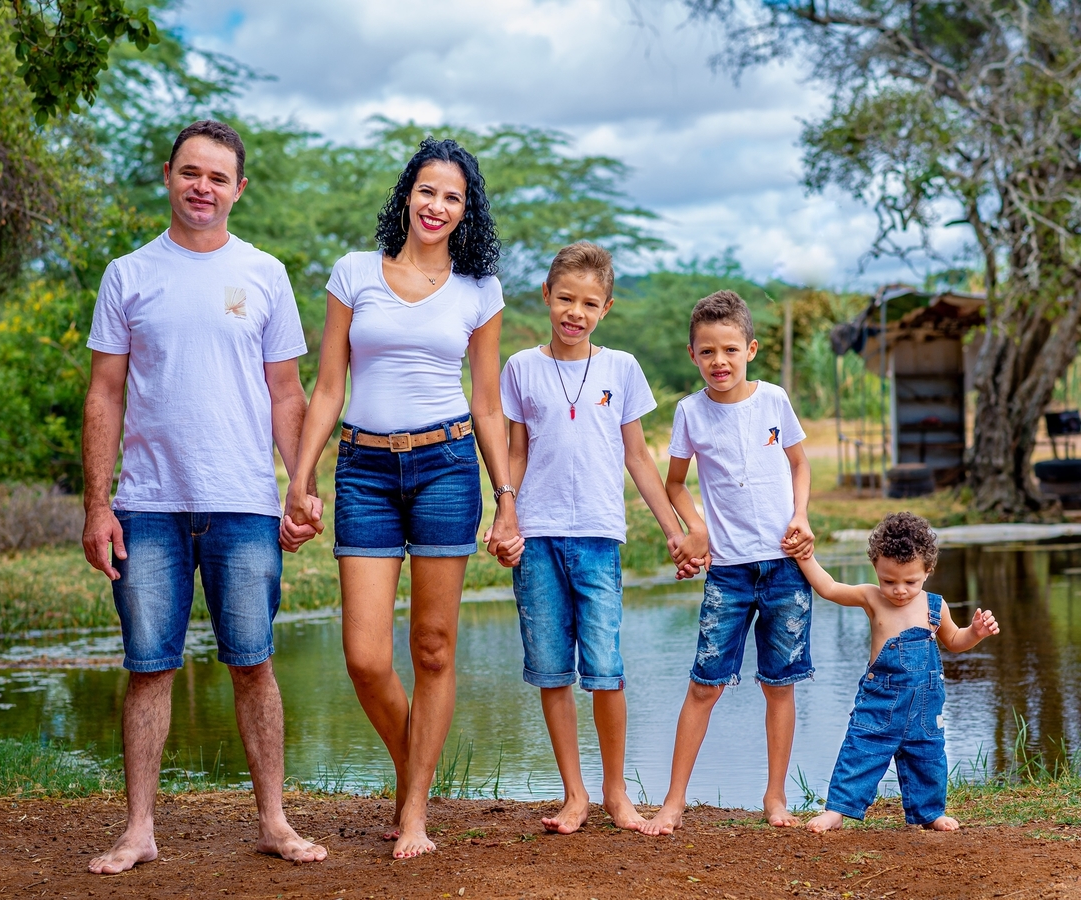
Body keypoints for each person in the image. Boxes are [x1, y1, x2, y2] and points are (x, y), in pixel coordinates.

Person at [81, 120, 327, 873]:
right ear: (168, 175)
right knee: (149, 667)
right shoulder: (128, 274)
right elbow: (104, 392)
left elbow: (288, 393)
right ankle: (138, 830)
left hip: (246, 504)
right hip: (148, 506)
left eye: (218, 178)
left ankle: (275, 823)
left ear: (239, 189)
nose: (203, 187)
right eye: (191, 173)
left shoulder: (265, 274)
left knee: (253, 663)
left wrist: (302, 486)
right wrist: (98, 505)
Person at [284, 137, 522, 859]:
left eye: (452, 196)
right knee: (364, 655)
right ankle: (411, 768)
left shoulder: (479, 290)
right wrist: (301, 475)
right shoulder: (355, 273)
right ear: (407, 194)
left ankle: (414, 811)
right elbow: (327, 387)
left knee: (434, 647)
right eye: (427, 190)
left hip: (448, 465)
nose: (437, 205)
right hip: (363, 468)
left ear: (465, 210)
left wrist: (506, 495)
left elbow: (486, 404)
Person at [499, 242, 704, 834]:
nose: (575, 312)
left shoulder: (621, 368)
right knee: (551, 671)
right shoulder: (520, 368)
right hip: (536, 538)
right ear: (546, 295)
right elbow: (516, 452)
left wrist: (677, 529)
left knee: (606, 669)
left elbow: (638, 456)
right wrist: (505, 516)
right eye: (566, 298)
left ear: (606, 307)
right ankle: (575, 795)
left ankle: (617, 795)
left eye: (589, 303)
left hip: (598, 538)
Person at [643, 289, 814, 835]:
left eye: (730, 350)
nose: (720, 361)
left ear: (751, 349)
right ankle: (673, 802)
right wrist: (697, 529)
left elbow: (799, 464)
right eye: (708, 351)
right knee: (704, 685)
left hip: (786, 565)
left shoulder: (774, 402)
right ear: (693, 354)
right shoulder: (690, 412)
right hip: (730, 572)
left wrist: (802, 516)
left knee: (779, 683)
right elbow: (675, 483)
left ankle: (775, 797)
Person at [797, 512, 1000, 832]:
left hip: (924, 705)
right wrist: (805, 557)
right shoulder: (871, 598)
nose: (899, 590)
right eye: (888, 580)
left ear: (928, 571)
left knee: (929, 757)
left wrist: (975, 632)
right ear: (876, 566)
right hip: (880, 702)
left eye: (910, 582)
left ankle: (929, 812)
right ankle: (837, 810)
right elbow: (830, 587)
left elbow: (955, 641)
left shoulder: (935, 606)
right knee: (860, 751)